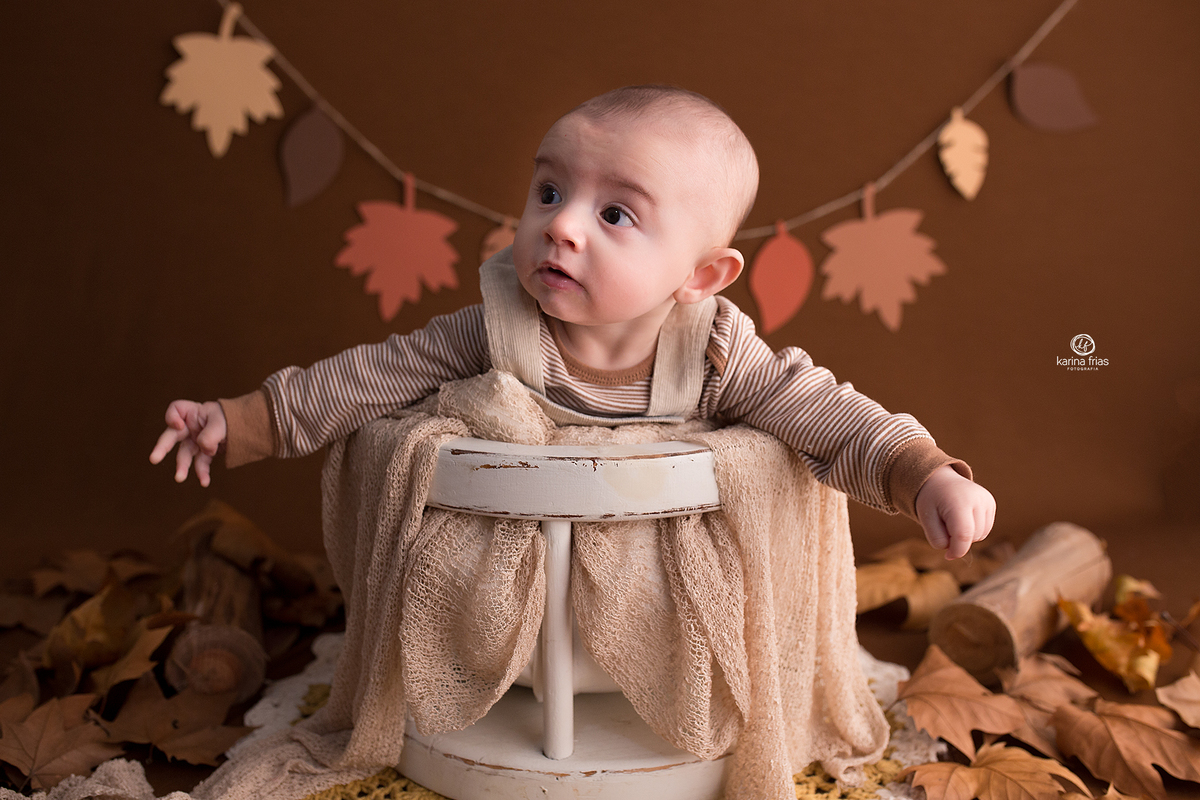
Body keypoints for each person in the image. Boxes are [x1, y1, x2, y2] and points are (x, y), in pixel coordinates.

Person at [150, 85, 994, 559]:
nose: (561, 226)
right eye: (550, 191)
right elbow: (369, 378)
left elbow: (828, 415)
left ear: (701, 276)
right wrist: (240, 420)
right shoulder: (499, 325)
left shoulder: (715, 353)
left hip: (661, 574)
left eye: (616, 214)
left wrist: (924, 476)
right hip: (519, 564)